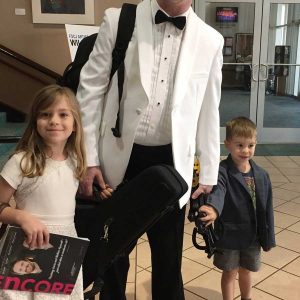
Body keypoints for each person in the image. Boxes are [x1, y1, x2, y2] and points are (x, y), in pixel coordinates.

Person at [76, 0, 224, 299]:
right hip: (118, 159)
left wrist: (209, 171)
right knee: (112, 253)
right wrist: (87, 159)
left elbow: (210, 109)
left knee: (168, 257)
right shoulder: (118, 21)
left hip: (172, 163)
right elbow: (90, 91)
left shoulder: (211, 39)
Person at [0, 84, 86, 300]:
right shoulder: (21, 162)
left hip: (63, 248)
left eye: (63, 114)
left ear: (74, 124)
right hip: (25, 244)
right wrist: (21, 216)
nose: (54, 120)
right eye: (45, 114)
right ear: (35, 121)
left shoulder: (76, 162)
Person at [210, 117, 276, 300]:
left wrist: (268, 238)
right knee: (230, 273)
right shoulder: (221, 171)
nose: (246, 150)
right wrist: (213, 209)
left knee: (247, 271)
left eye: (251, 145)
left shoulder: (262, 175)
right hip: (229, 235)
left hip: (253, 236)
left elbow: (267, 209)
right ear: (227, 144)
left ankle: (247, 298)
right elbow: (218, 192)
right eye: (239, 145)